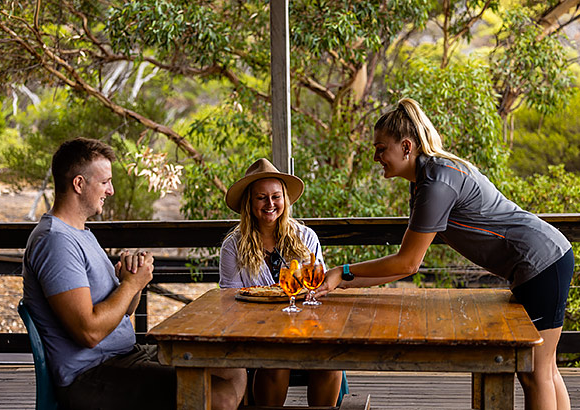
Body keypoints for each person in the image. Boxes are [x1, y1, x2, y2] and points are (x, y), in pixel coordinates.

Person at [316, 98, 574, 410]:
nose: (376, 157)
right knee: (545, 369)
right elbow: (405, 268)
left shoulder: (437, 180)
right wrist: (340, 283)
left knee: (535, 373)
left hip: (541, 261)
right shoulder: (427, 178)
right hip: (545, 260)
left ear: (407, 146)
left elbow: (407, 261)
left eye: (381, 148)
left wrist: (343, 271)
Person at [23, 138, 246, 410]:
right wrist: (130, 284)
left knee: (233, 370)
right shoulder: (55, 241)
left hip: (125, 355)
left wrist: (134, 282)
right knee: (219, 396)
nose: (111, 190)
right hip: (91, 374)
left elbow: (123, 312)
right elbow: (89, 332)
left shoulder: (82, 234)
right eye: (105, 182)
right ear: (79, 184)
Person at [219, 158, 343, 406]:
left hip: (306, 329)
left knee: (330, 365)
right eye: (261, 197)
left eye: (276, 196)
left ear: (285, 200)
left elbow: (318, 288)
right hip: (256, 332)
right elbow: (228, 299)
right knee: (275, 363)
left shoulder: (305, 237)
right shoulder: (233, 245)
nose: (270, 204)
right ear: (249, 203)